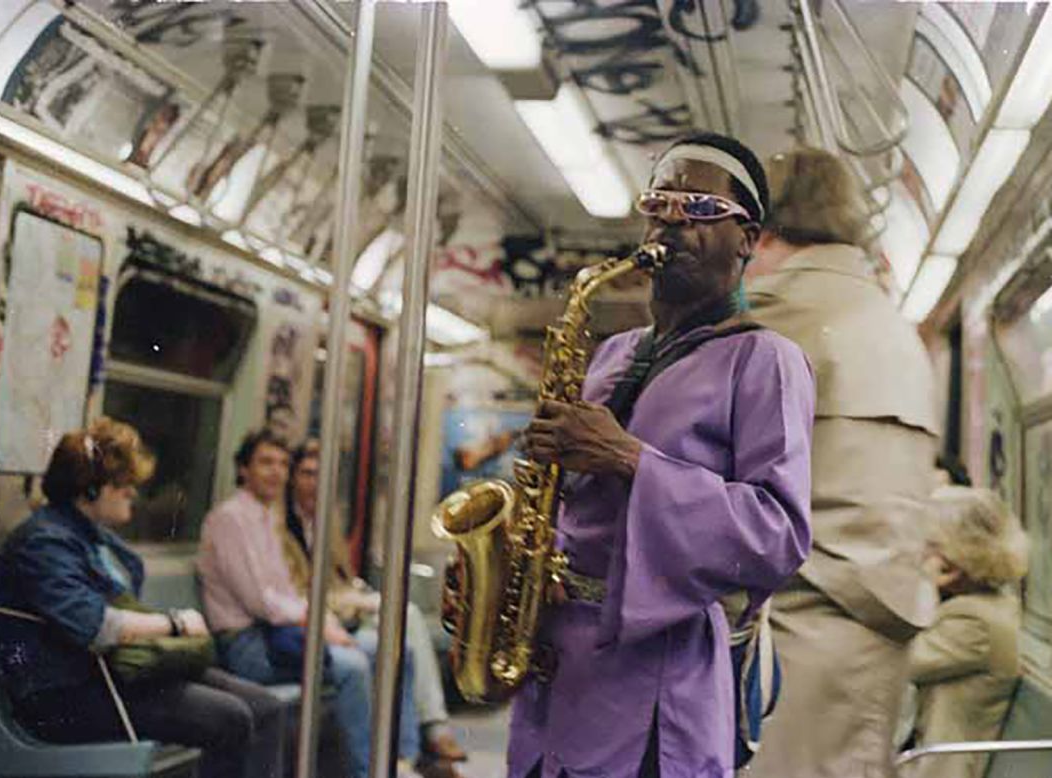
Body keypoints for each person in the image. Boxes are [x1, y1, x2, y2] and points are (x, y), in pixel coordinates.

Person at [511, 131, 816, 777]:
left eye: (701, 209)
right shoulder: (614, 351)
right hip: (555, 663)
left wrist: (630, 460)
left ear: (748, 239)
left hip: (653, 684)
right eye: (660, 203)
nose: (673, 222)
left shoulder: (766, 361)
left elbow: (779, 538)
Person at [743, 147, 940, 778]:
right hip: (869, 619)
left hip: (799, 617)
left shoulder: (779, 310)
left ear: (764, 230)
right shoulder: (886, 318)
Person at [0, 418, 284, 778]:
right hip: (67, 690)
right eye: (123, 483)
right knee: (229, 718)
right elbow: (94, 625)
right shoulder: (44, 543)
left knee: (267, 708)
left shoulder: (93, 538)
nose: (133, 493)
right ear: (90, 490)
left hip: (116, 672)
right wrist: (173, 624)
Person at [197, 428, 418, 778]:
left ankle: (402, 757)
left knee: (388, 648)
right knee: (352, 666)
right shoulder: (229, 518)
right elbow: (261, 603)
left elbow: (286, 592)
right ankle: (367, 771)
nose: (276, 472)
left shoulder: (266, 517)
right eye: (266, 462)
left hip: (280, 635)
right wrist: (322, 629)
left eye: (283, 464)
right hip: (249, 644)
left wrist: (324, 626)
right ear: (243, 469)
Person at [281, 439, 467, 778]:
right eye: (306, 474)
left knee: (404, 633)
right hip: (324, 615)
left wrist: (357, 595)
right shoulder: (282, 530)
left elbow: (341, 576)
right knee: (400, 623)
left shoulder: (327, 519)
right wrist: (354, 600)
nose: (314, 483)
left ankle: (411, 751)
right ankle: (431, 730)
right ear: (293, 479)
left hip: (343, 608)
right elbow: (298, 590)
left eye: (320, 475)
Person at [907, 487, 1028, 778]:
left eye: (930, 544)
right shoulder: (988, 606)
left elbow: (899, 664)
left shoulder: (975, 622)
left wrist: (922, 583)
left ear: (957, 552)